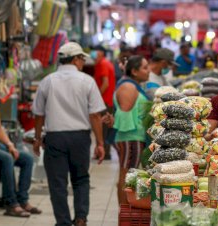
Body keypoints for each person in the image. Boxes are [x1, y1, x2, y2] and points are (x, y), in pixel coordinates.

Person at [32, 42, 106, 226]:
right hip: (80, 138)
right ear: (75, 60)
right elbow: (95, 115)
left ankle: (63, 222)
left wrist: (36, 138)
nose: (83, 63)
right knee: (81, 179)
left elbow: (39, 114)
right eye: (82, 59)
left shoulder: (48, 81)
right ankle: (81, 218)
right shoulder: (87, 81)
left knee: (57, 184)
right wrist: (100, 143)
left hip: (55, 138)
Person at [0, 67, 40, 217]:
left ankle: (23, 200)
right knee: (7, 159)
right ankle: (10, 203)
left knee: (27, 159)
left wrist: (11, 145)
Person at [114, 55, 150, 205]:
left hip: (134, 137)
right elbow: (125, 109)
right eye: (145, 67)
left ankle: (124, 212)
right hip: (131, 137)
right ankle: (124, 213)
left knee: (128, 174)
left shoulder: (133, 85)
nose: (148, 71)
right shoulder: (128, 86)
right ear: (134, 71)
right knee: (126, 176)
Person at [91, 45, 116, 160]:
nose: (93, 53)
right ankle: (105, 152)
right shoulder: (104, 63)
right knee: (105, 127)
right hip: (107, 100)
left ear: (101, 53)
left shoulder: (102, 64)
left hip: (104, 101)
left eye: (95, 51)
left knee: (102, 128)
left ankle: (104, 153)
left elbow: (105, 83)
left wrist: (97, 97)